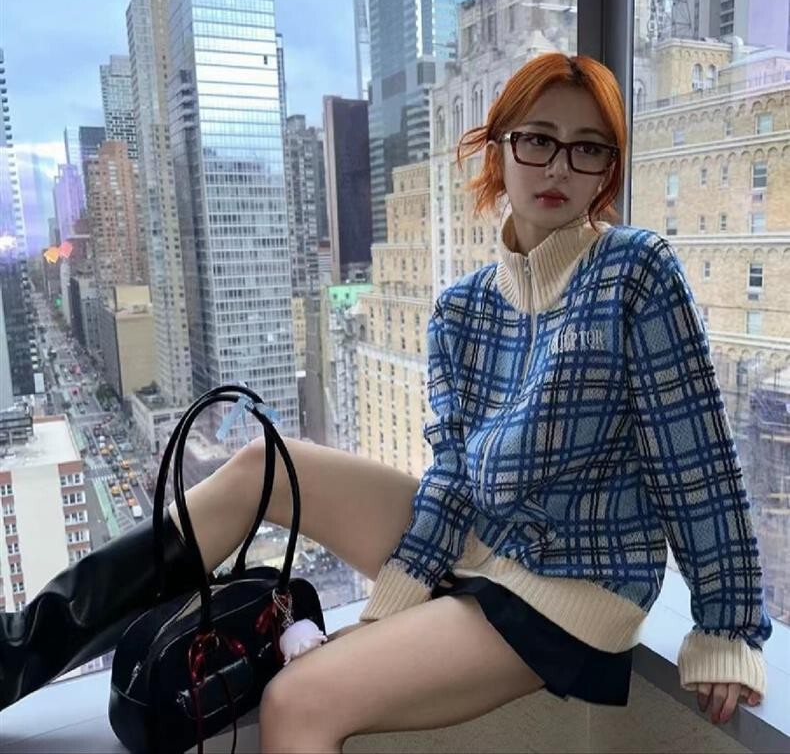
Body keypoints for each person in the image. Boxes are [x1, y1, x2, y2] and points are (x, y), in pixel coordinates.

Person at [0, 52, 771, 752]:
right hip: (478, 542)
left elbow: (697, 461)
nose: (558, 166)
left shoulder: (635, 272)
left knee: (298, 700)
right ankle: (17, 652)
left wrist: (727, 626)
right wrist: (396, 597)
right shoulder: (464, 308)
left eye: (588, 147)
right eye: (537, 139)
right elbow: (452, 478)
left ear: (607, 168)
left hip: (570, 587)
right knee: (263, 463)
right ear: (498, 149)